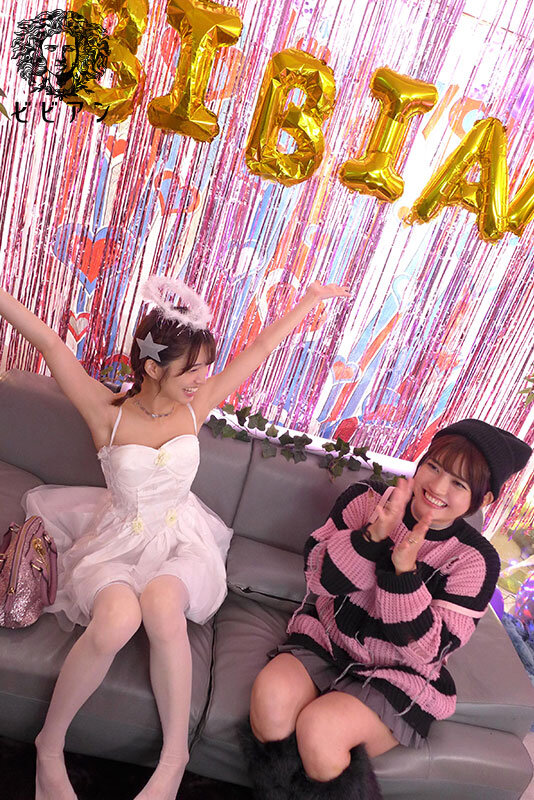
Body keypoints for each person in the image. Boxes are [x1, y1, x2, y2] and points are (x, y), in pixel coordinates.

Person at [0, 275, 349, 800]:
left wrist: (310, 301)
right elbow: (49, 342)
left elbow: (258, 349)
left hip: (181, 538)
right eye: (192, 369)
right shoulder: (105, 413)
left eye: (206, 367)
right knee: (118, 619)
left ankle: (174, 757)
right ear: (151, 367)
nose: (202, 379)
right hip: (118, 539)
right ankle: (50, 745)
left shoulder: (195, 404)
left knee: (163, 605)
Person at [244, 420, 532, 800]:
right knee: (270, 707)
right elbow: (318, 577)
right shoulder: (367, 499)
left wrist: (404, 575)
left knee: (320, 731)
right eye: (434, 467)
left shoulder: (475, 560)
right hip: (327, 640)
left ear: (485, 498)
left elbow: (426, 651)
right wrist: (371, 538)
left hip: (399, 674)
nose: (438, 487)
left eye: (459, 484)